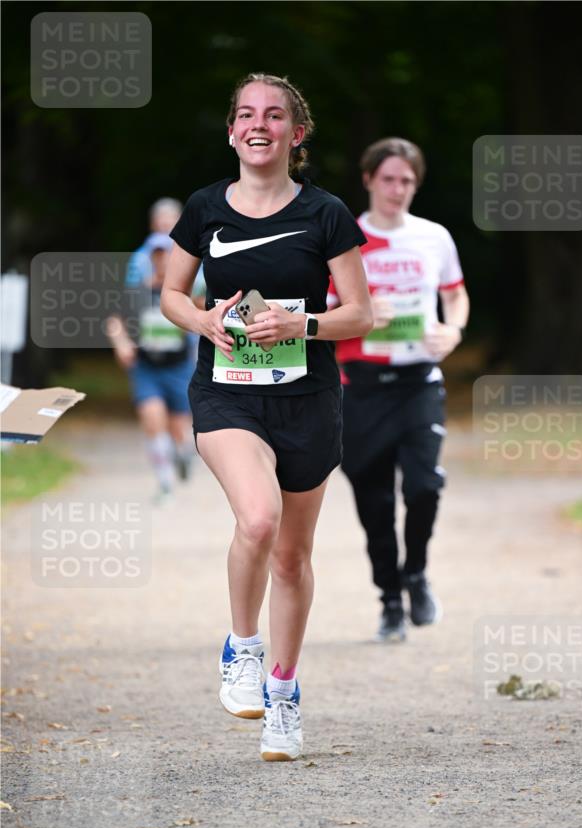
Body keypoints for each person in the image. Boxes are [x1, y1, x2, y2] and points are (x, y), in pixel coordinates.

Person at [161, 73, 372, 761]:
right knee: (257, 518)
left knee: (291, 556)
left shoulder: (327, 213)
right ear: (231, 131)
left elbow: (359, 313)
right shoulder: (202, 209)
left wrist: (301, 323)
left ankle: (283, 693)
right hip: (226, 392)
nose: (260, 124)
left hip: (308, 398)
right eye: (246, 115)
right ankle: (241, 650)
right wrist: (201, 318)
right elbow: (171, 294)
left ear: (295, 133)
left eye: (274, 115)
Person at [330, 138, 469, 642]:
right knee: (375, 504)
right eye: (387, 179)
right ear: (368, 180)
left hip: (418, 381)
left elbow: (455, 296)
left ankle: (417, 573)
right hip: (360, 387)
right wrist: (360, 315)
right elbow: (321, 315)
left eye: (407, 180)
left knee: (425, 486)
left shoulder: (434, 237)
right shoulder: (343, 239)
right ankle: (389, 598)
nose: (397, 189)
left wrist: (452, 331)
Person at [107, 232, 199, 502]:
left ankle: (183, 453)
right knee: (152, 418)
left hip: (179, 367)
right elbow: (115, 320)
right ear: (151, 258)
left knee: (179, 427)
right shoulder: (137, 292)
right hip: (146, 368)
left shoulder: (187, 293)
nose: (162, 260)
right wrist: (121, 343)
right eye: (157, 255)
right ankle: (165, 483)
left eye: (166, 254)